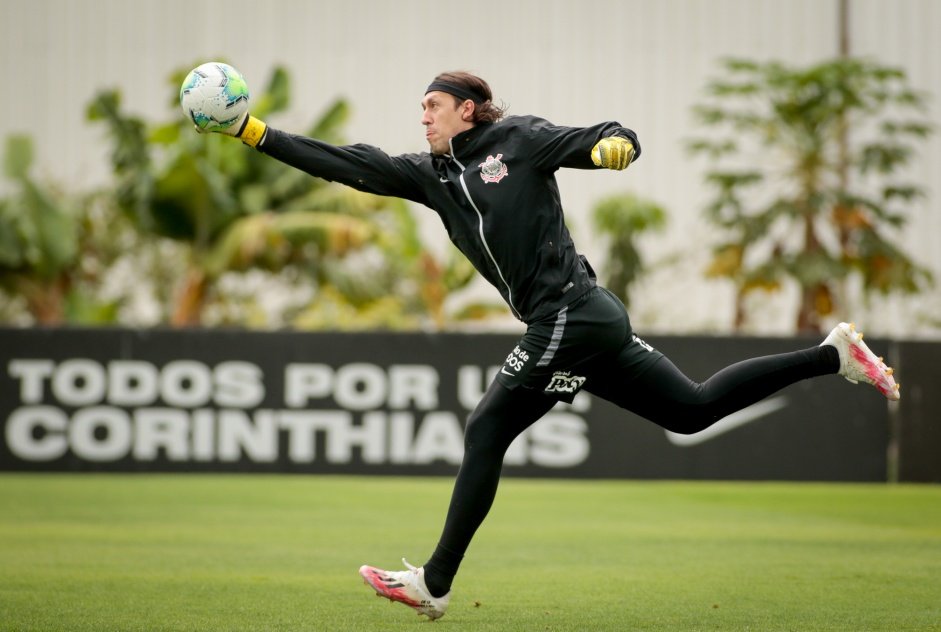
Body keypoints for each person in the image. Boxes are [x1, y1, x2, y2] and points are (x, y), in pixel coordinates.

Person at [203, 70, 900, 620]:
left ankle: (434, 585)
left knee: (486, 427)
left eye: (433, 106)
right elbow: (339, 163)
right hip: (583, 323)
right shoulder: (432, 177)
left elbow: (603, 134)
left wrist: (612, 146)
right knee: (689, 412)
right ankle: (831, 354)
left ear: (469, 110)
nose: (423, 117)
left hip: (571, 314)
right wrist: (252, 130)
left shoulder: (521, 141)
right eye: (420, 109)